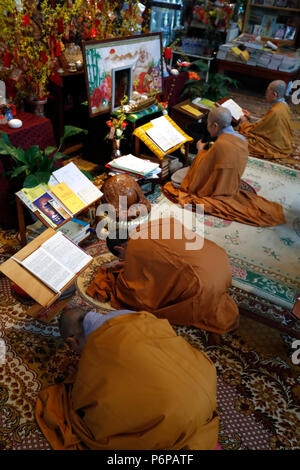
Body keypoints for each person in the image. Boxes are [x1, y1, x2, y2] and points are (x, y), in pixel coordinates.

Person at [36, 306, 219, 450]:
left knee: (82, 421)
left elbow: (92, 404)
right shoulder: (132, 315)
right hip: (207, 385)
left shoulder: (96, 348)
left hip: (177, 417)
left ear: (72, 341)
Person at [87, 217, 239, 335]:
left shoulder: (135, 248)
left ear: (120, 247)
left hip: (204, 285)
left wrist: (120, 281)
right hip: (221, 263)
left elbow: (136, 290)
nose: (125, 261)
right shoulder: (152, 225)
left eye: (122, 257)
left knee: (133, 295)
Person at [163, 107, 285, 227]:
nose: (207, 127)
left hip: (218, 187)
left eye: (208, 125)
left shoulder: (221, 144)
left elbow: (202, 169)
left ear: (215, 125)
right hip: (231, 182)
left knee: (175, 180)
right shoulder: (242, 139)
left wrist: (200, 151)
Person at [239, 80, 293, 159]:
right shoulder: (284, 105)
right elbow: (266, 121)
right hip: (282, 141)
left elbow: (258, 129)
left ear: (274, 95)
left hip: (275, 144)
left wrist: (244, 122)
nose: (265, 93)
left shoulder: (276, 111)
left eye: (267, 91)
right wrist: (250, 117)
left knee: (241, 138)